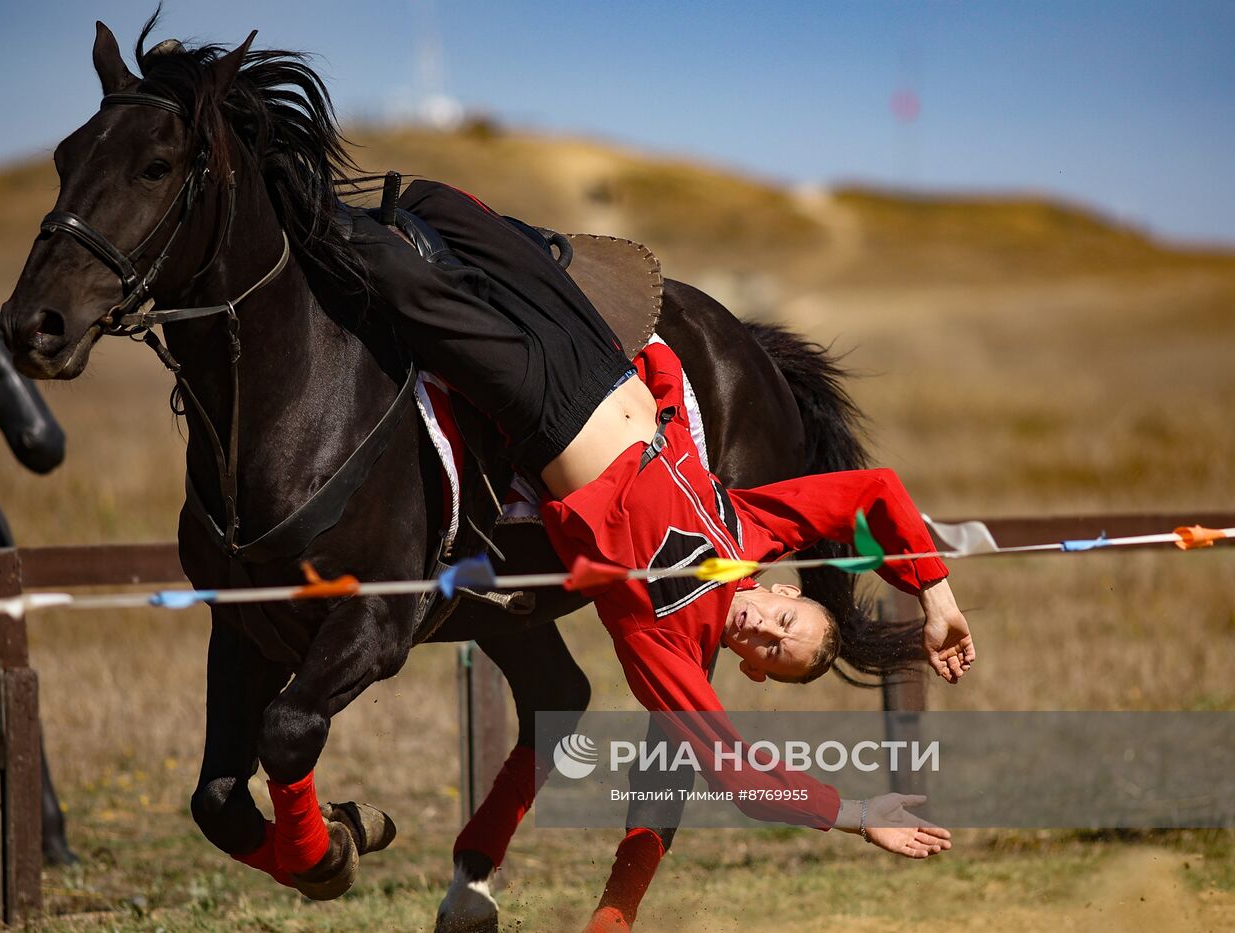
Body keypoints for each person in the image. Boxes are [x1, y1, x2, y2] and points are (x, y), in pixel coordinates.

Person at [306, 180, 975, 929]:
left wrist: (855, 814)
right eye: (788, 625)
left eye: (773, 652)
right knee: (442, 205)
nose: (767, 632)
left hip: (548, 412)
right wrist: (936, 597)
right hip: (607, 361)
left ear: (751, 666)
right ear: (785, 592)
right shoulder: (753, 531)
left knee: (403, 283)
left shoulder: (668, 650)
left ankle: (264, 178)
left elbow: (742, 774)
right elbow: (872, 493)